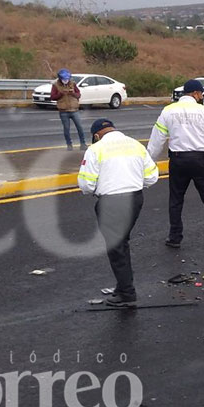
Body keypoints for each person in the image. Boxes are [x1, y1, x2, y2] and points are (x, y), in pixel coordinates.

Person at [78, 119, 159, 307]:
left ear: (96, 135)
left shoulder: (95, 149)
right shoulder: (135, 145)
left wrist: (96, 190)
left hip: (111, 202)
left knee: (116, 247)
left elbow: (86, 184)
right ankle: (123, 286)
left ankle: (127, 293)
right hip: (135, 198)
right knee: (122, 243)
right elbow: (152, 177)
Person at [147, 78, 204, 249]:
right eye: (201, 93)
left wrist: (149, 161)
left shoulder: (168, 111)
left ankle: (175, 237)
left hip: (178, 160)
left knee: (176, 199)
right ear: (195, 93)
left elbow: (157, 140)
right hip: (201, 160)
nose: (201, 97)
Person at [50, 68, 87, 151]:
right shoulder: (55, 85)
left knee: (80, 127)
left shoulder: (73, 84)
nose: (66, 80)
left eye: (67, 79)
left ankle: (83, 143)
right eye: (64, 79)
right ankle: (69, 145)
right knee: (66, 129)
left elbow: (78, 95)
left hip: (74, 110)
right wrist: (60, 94)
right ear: (60, 78)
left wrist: (72, 93)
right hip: (63, 111)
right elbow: (52, 97)